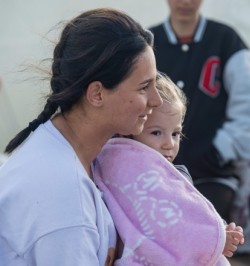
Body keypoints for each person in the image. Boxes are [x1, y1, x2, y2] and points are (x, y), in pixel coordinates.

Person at [0, 8, 162, 265]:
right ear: (97, 94)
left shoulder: (62, 151)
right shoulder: (63, 193)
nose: (157, 100)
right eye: (144, 87)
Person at [149, 0, 250, 257]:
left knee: (206, 235)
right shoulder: (148, 42)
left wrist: (218, 151)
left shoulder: (226, 41)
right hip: (152, 170)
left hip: (212, 174)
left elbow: (249, 112)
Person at [93, 72, 245, 265]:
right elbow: (169, 225)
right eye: (156, 133)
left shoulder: (176, 175)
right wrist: (213, 239)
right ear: (131, 129)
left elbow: (190, 213)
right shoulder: (119, 165)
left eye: (176, 134)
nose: (169, 144)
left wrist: (220, 230)